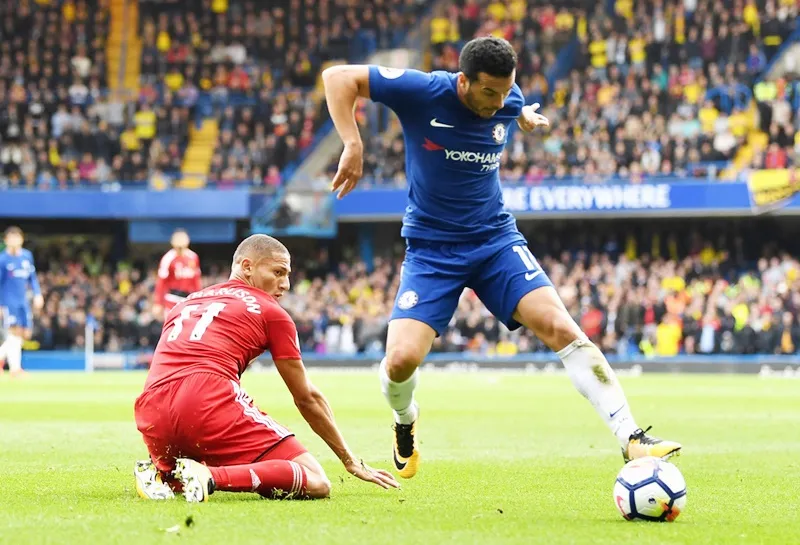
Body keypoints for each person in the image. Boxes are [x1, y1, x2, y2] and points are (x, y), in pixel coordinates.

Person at [322, 36, 681, 479]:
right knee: (399, 361)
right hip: (433, 250)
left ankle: (631, 438)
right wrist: (352, 143)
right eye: (488, 93)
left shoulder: (507, 99)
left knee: (561, 327)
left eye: (506, 91)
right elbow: (337, 78)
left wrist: (523, 113)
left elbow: (513, 104)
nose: (498, 102)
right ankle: (405, 422)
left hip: (495, 241)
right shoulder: (423, 91)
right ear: (463, 81)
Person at [133, 234, 398, 502]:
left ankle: (161, 473)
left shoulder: (186, 303)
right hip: (206, 400)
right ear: (247, 267)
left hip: (151, 411)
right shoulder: (271, 312)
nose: (286, 284)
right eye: (278, 272)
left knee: (188, 449)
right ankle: (211, 477)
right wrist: (349, 459)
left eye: (288, 275)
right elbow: (306, 398)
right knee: (316, 481)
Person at [0, 227, 43, 377]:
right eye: (10, 238)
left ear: (22, 239)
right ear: (5, 241)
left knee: (24, 334)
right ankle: (15, 369)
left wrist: (38, 294)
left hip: (23, 301)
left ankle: (5, 361)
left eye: (16, 237)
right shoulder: (2, 259)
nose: (14, 240)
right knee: (13, 332)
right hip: (8, 301)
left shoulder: (26, 256)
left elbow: (32, 278)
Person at [152, 229, 202, 320]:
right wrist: (158, 302)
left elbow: (196, 280)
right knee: (171, 326)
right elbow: (161, 282)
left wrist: (199, 300)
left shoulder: (193, 257)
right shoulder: (168, 258)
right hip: (172, 298)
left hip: (188, 299)